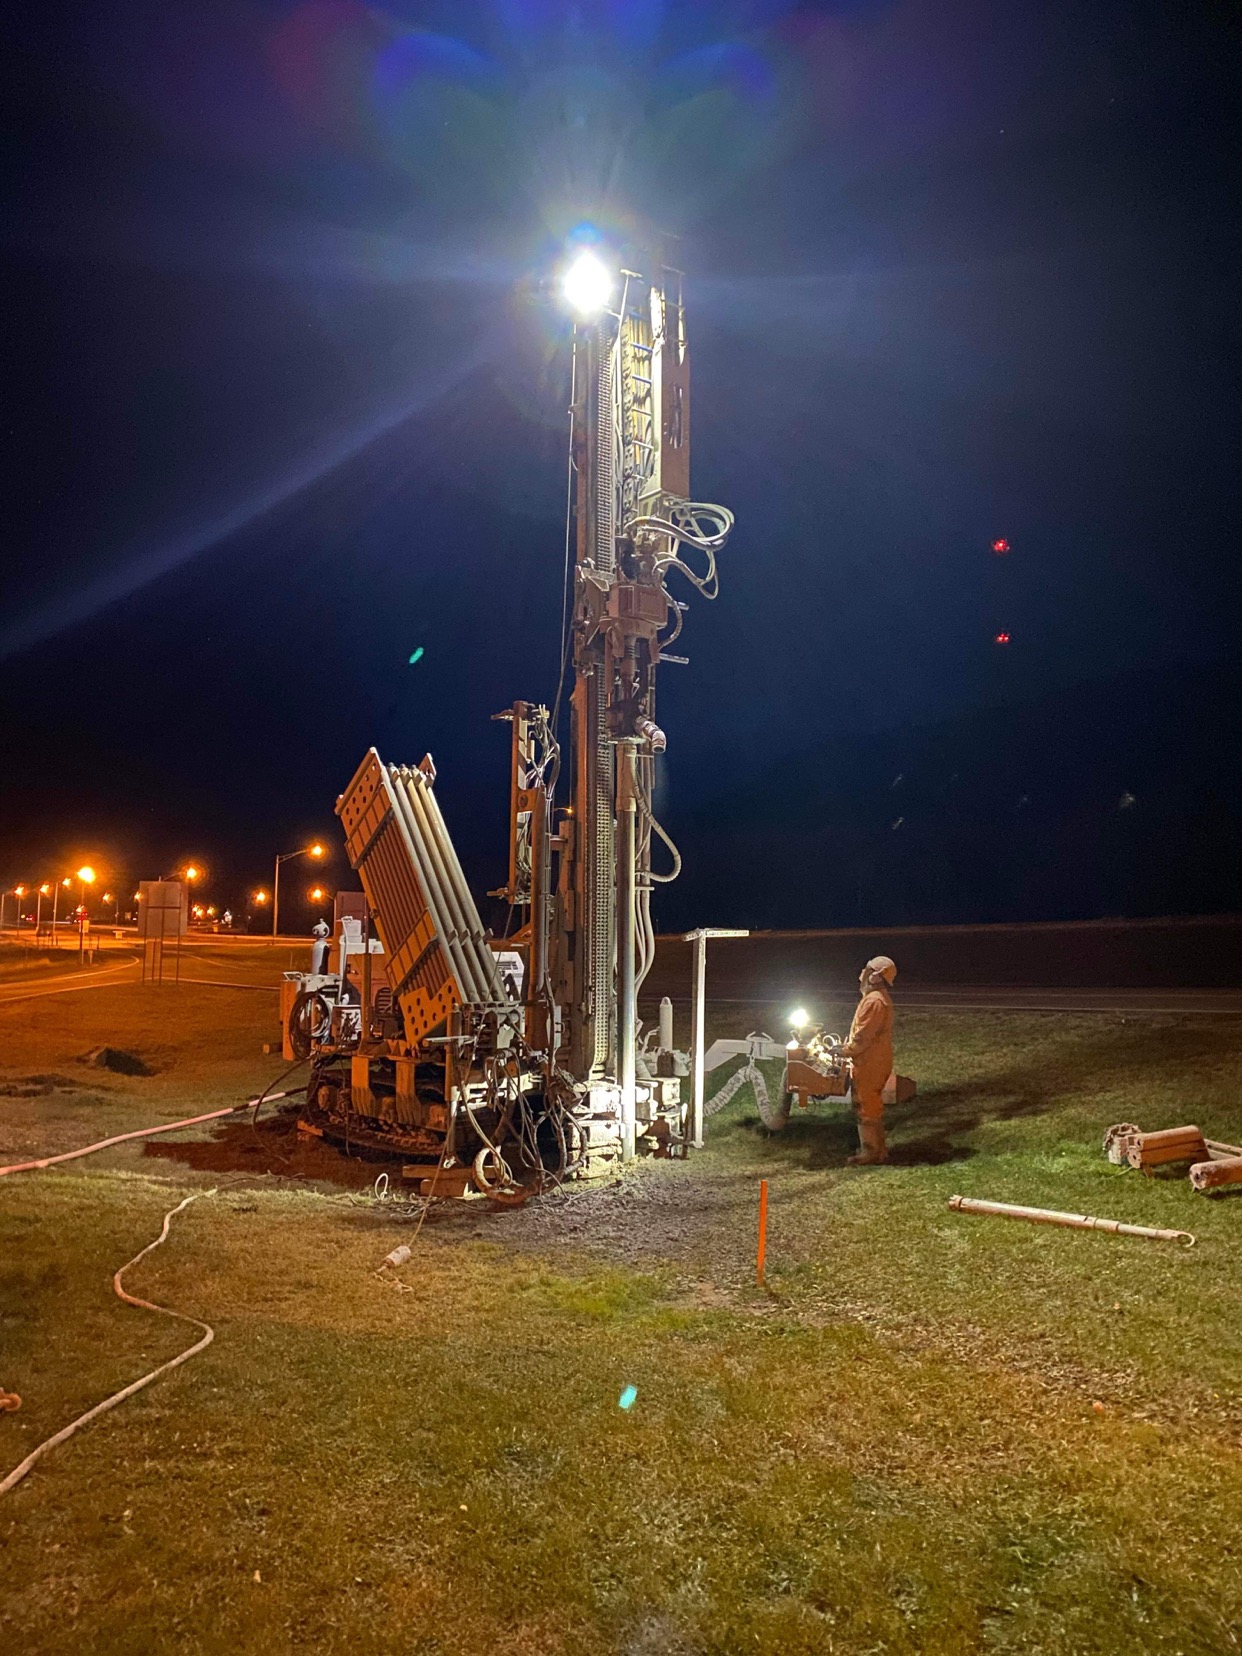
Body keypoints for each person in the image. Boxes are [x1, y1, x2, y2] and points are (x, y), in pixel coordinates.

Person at [839, 955, 897, 1166]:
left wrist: (844, 1051)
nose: (860, 974)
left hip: (869, 1063)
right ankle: (879, 1151)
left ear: (874, 976)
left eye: (865, 969)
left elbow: (863, 1037)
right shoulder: (877, 999)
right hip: (875, 1060)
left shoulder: (873, 1002)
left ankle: (870, 1153)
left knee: (866, 1106)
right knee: (872, 1105)